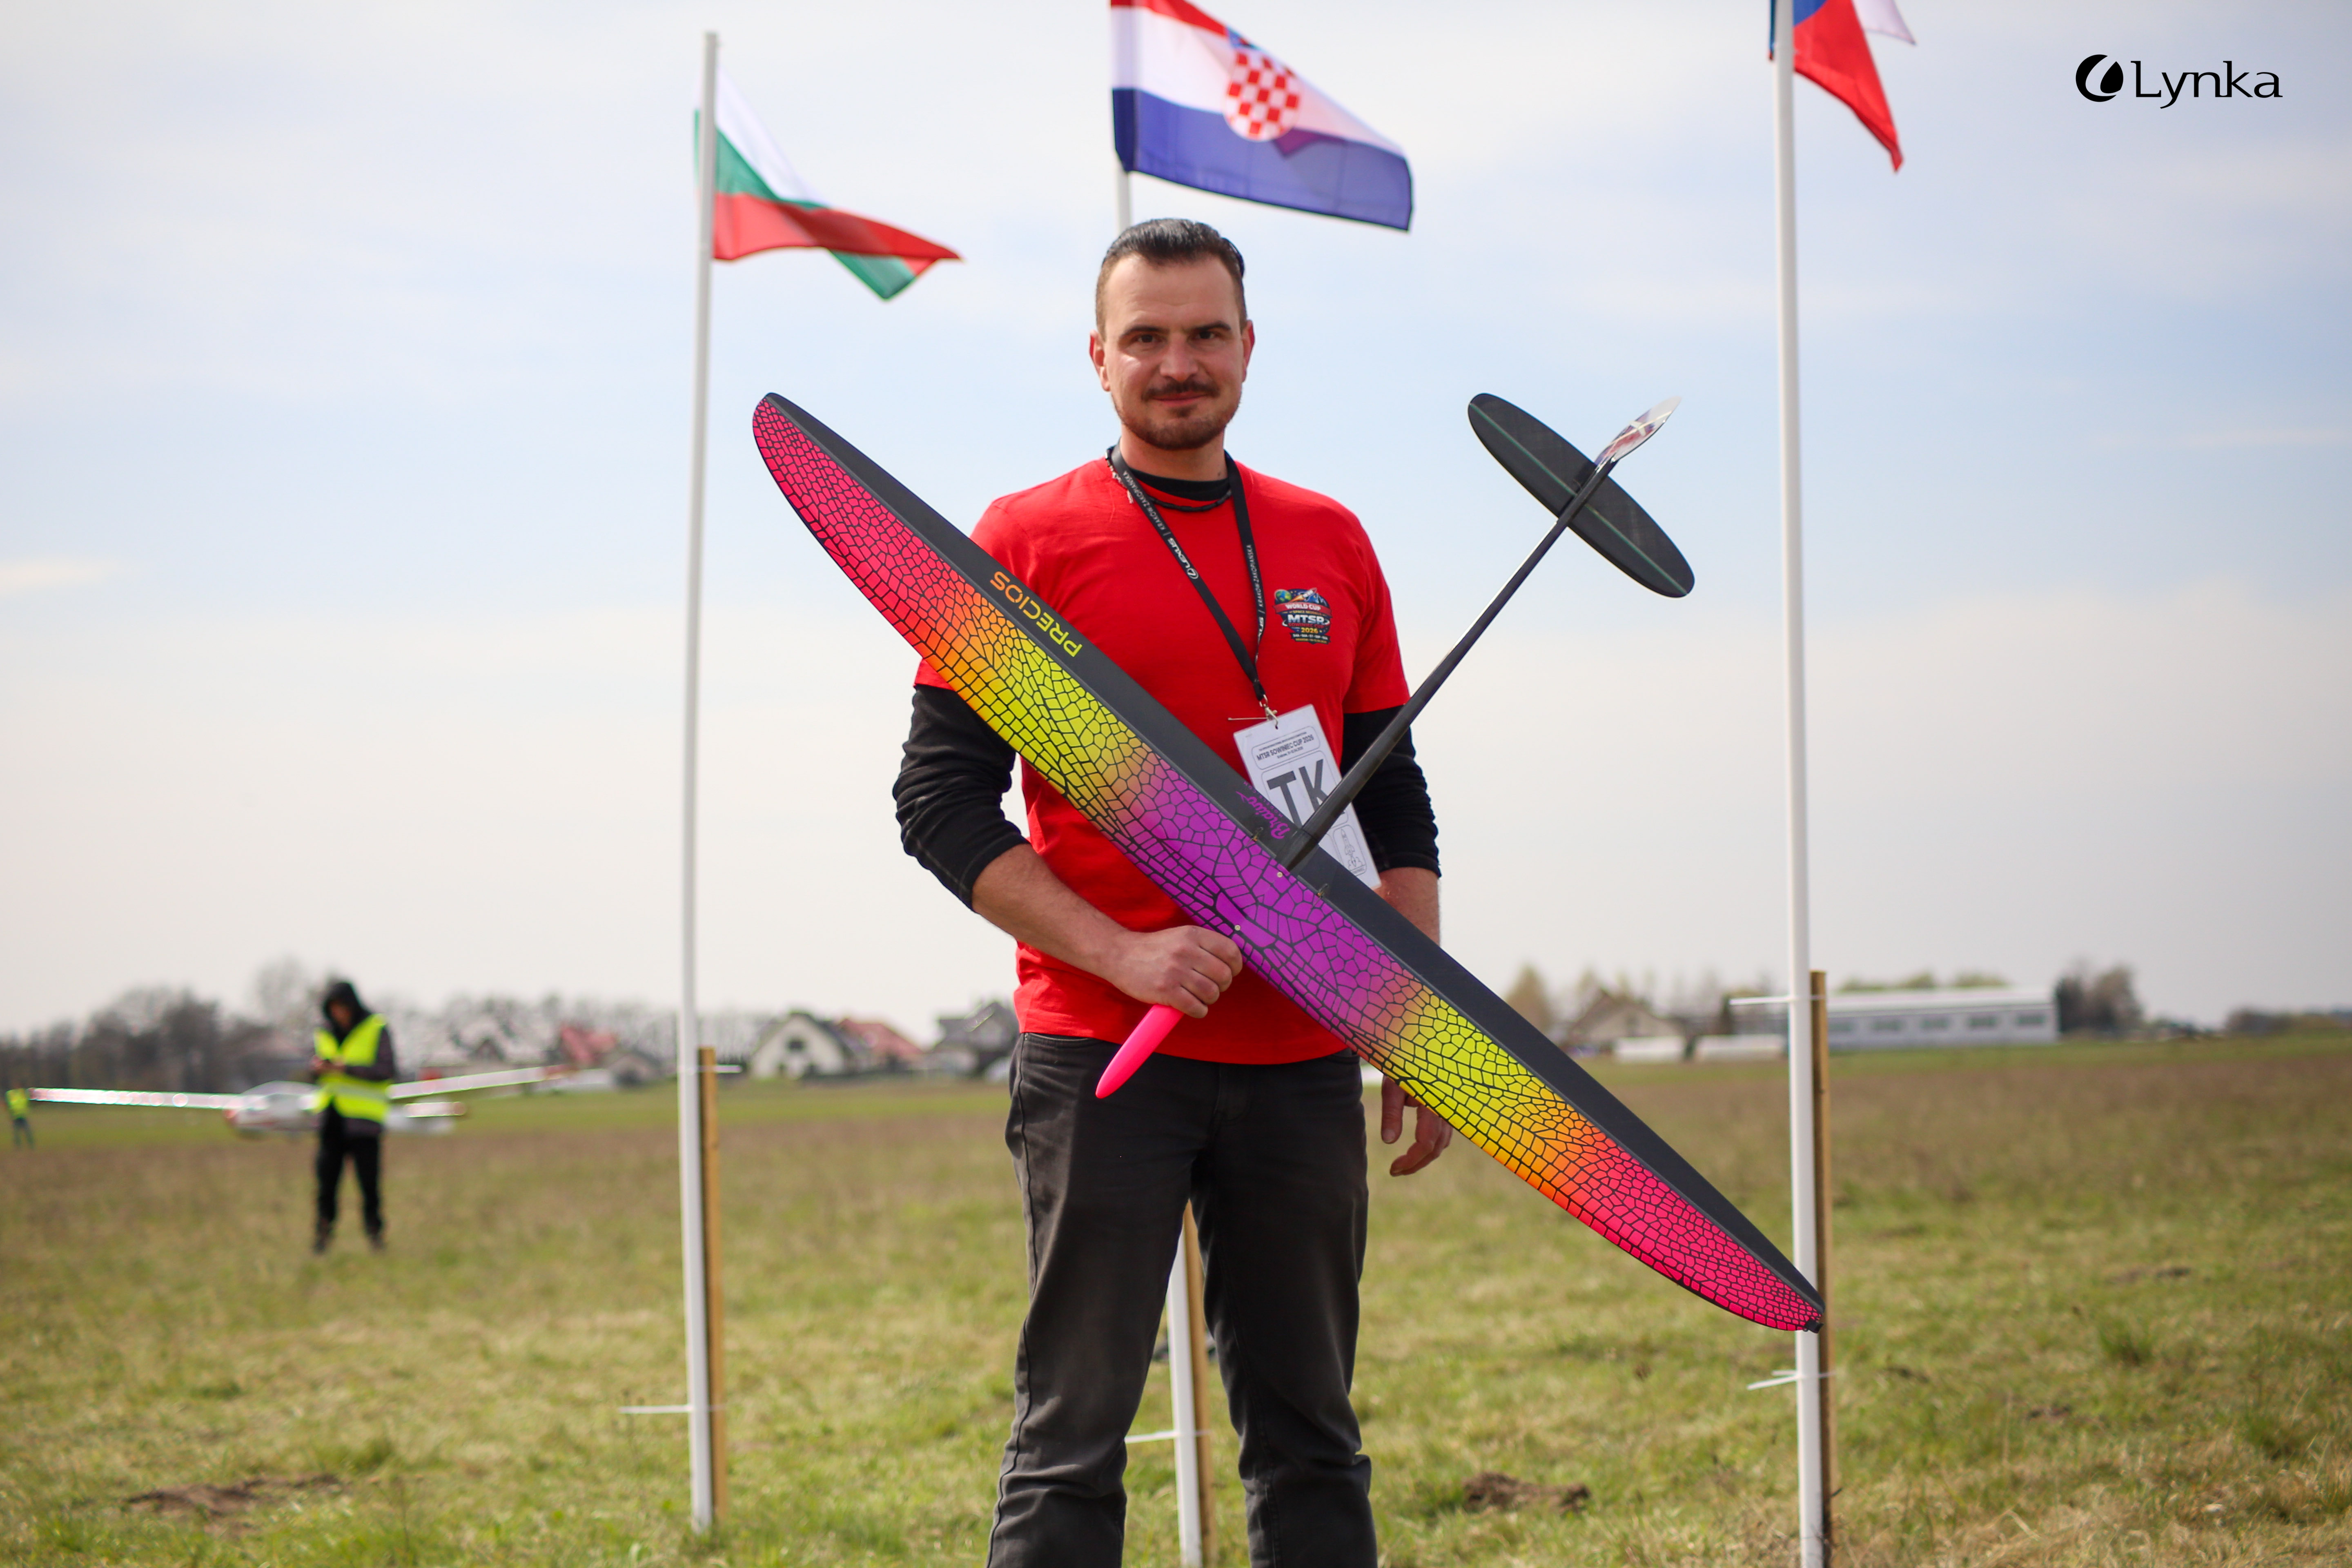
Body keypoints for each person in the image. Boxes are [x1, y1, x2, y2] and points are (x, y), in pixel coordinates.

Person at [893, 218, 1453, 1568]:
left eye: (1206, 333)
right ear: (1099, 358)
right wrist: (1125, 956)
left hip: (1305, 1058)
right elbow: (940, 806)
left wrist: (1414, 1024)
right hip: (1106, 1058)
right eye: (1146, 336)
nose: (1178, 361)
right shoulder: (1020, 543)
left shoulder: (1331, 539)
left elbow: (1396, 796)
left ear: (1249, 348)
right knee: (1072, 1437)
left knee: (1311, 1431)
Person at [310, 978, 397, 1253]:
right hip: (331, 1119)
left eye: (343, 1007)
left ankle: (375, 1238)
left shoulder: (376, 1028)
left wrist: (344, 1068)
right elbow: (314, 1073)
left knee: (369, 1186)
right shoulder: (323, 1033)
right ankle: (322, 1239)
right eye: (334, 1008)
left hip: (364, 1122)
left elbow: (385, 1070)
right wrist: (317, 1070)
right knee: (326, 1186)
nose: (339, 1013)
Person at [7, 1085, 30, 1149]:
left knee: (26, 1131)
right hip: (16, 1116)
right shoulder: (12, 1094)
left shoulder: (20, 1094)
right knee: (18, 1133)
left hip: (22, 1115)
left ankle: (29, 1144)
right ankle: (19, 1145)